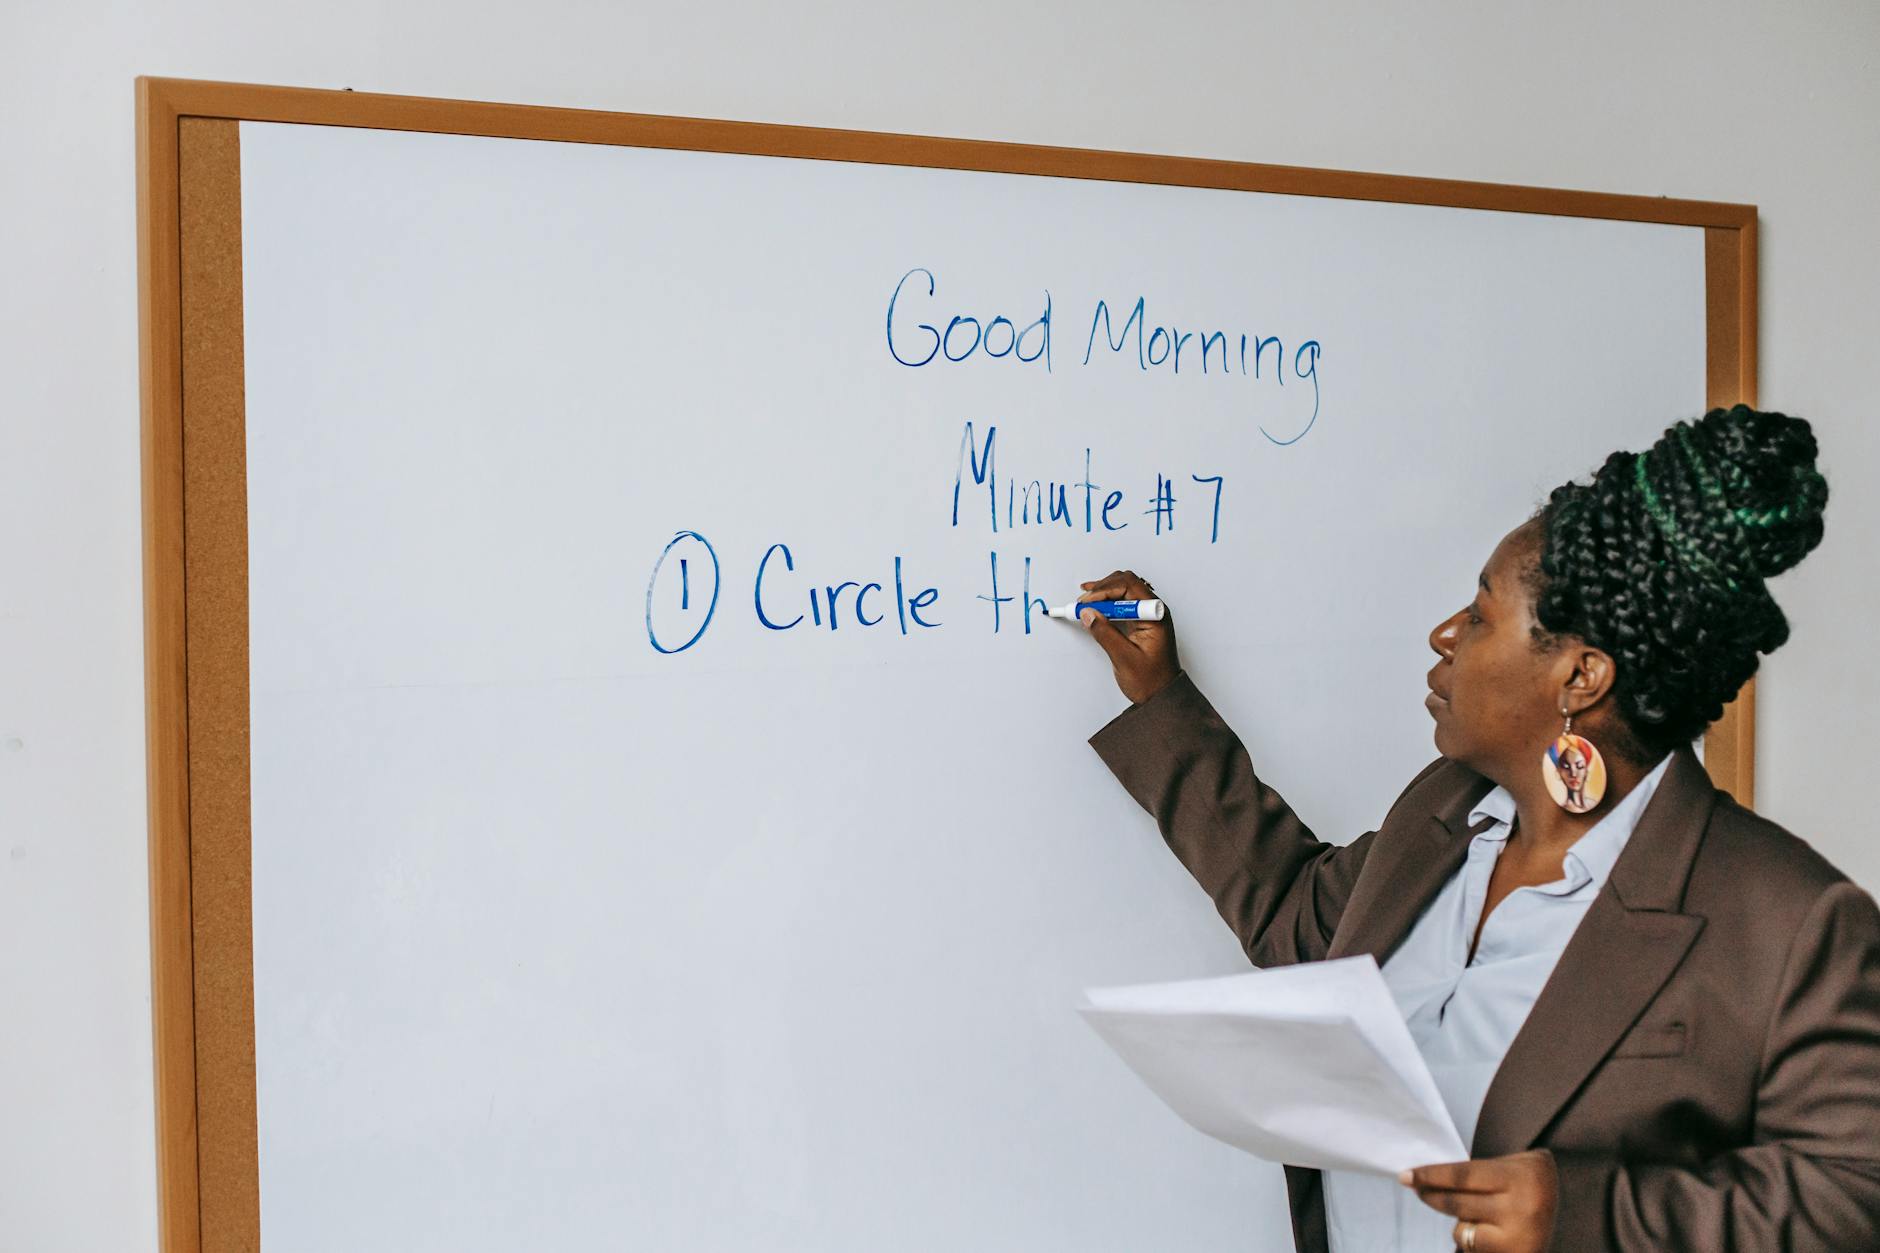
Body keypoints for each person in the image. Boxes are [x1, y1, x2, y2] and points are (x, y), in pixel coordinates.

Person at [1076, 405, 1880, 1252]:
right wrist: (1161, 700)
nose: (1445, 635)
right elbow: (1298, 915)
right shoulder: (1446, 812)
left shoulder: (1787, 922)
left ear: (1581, 674)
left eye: (1482, 614)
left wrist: (1587, 1216)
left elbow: (1857, 1191)